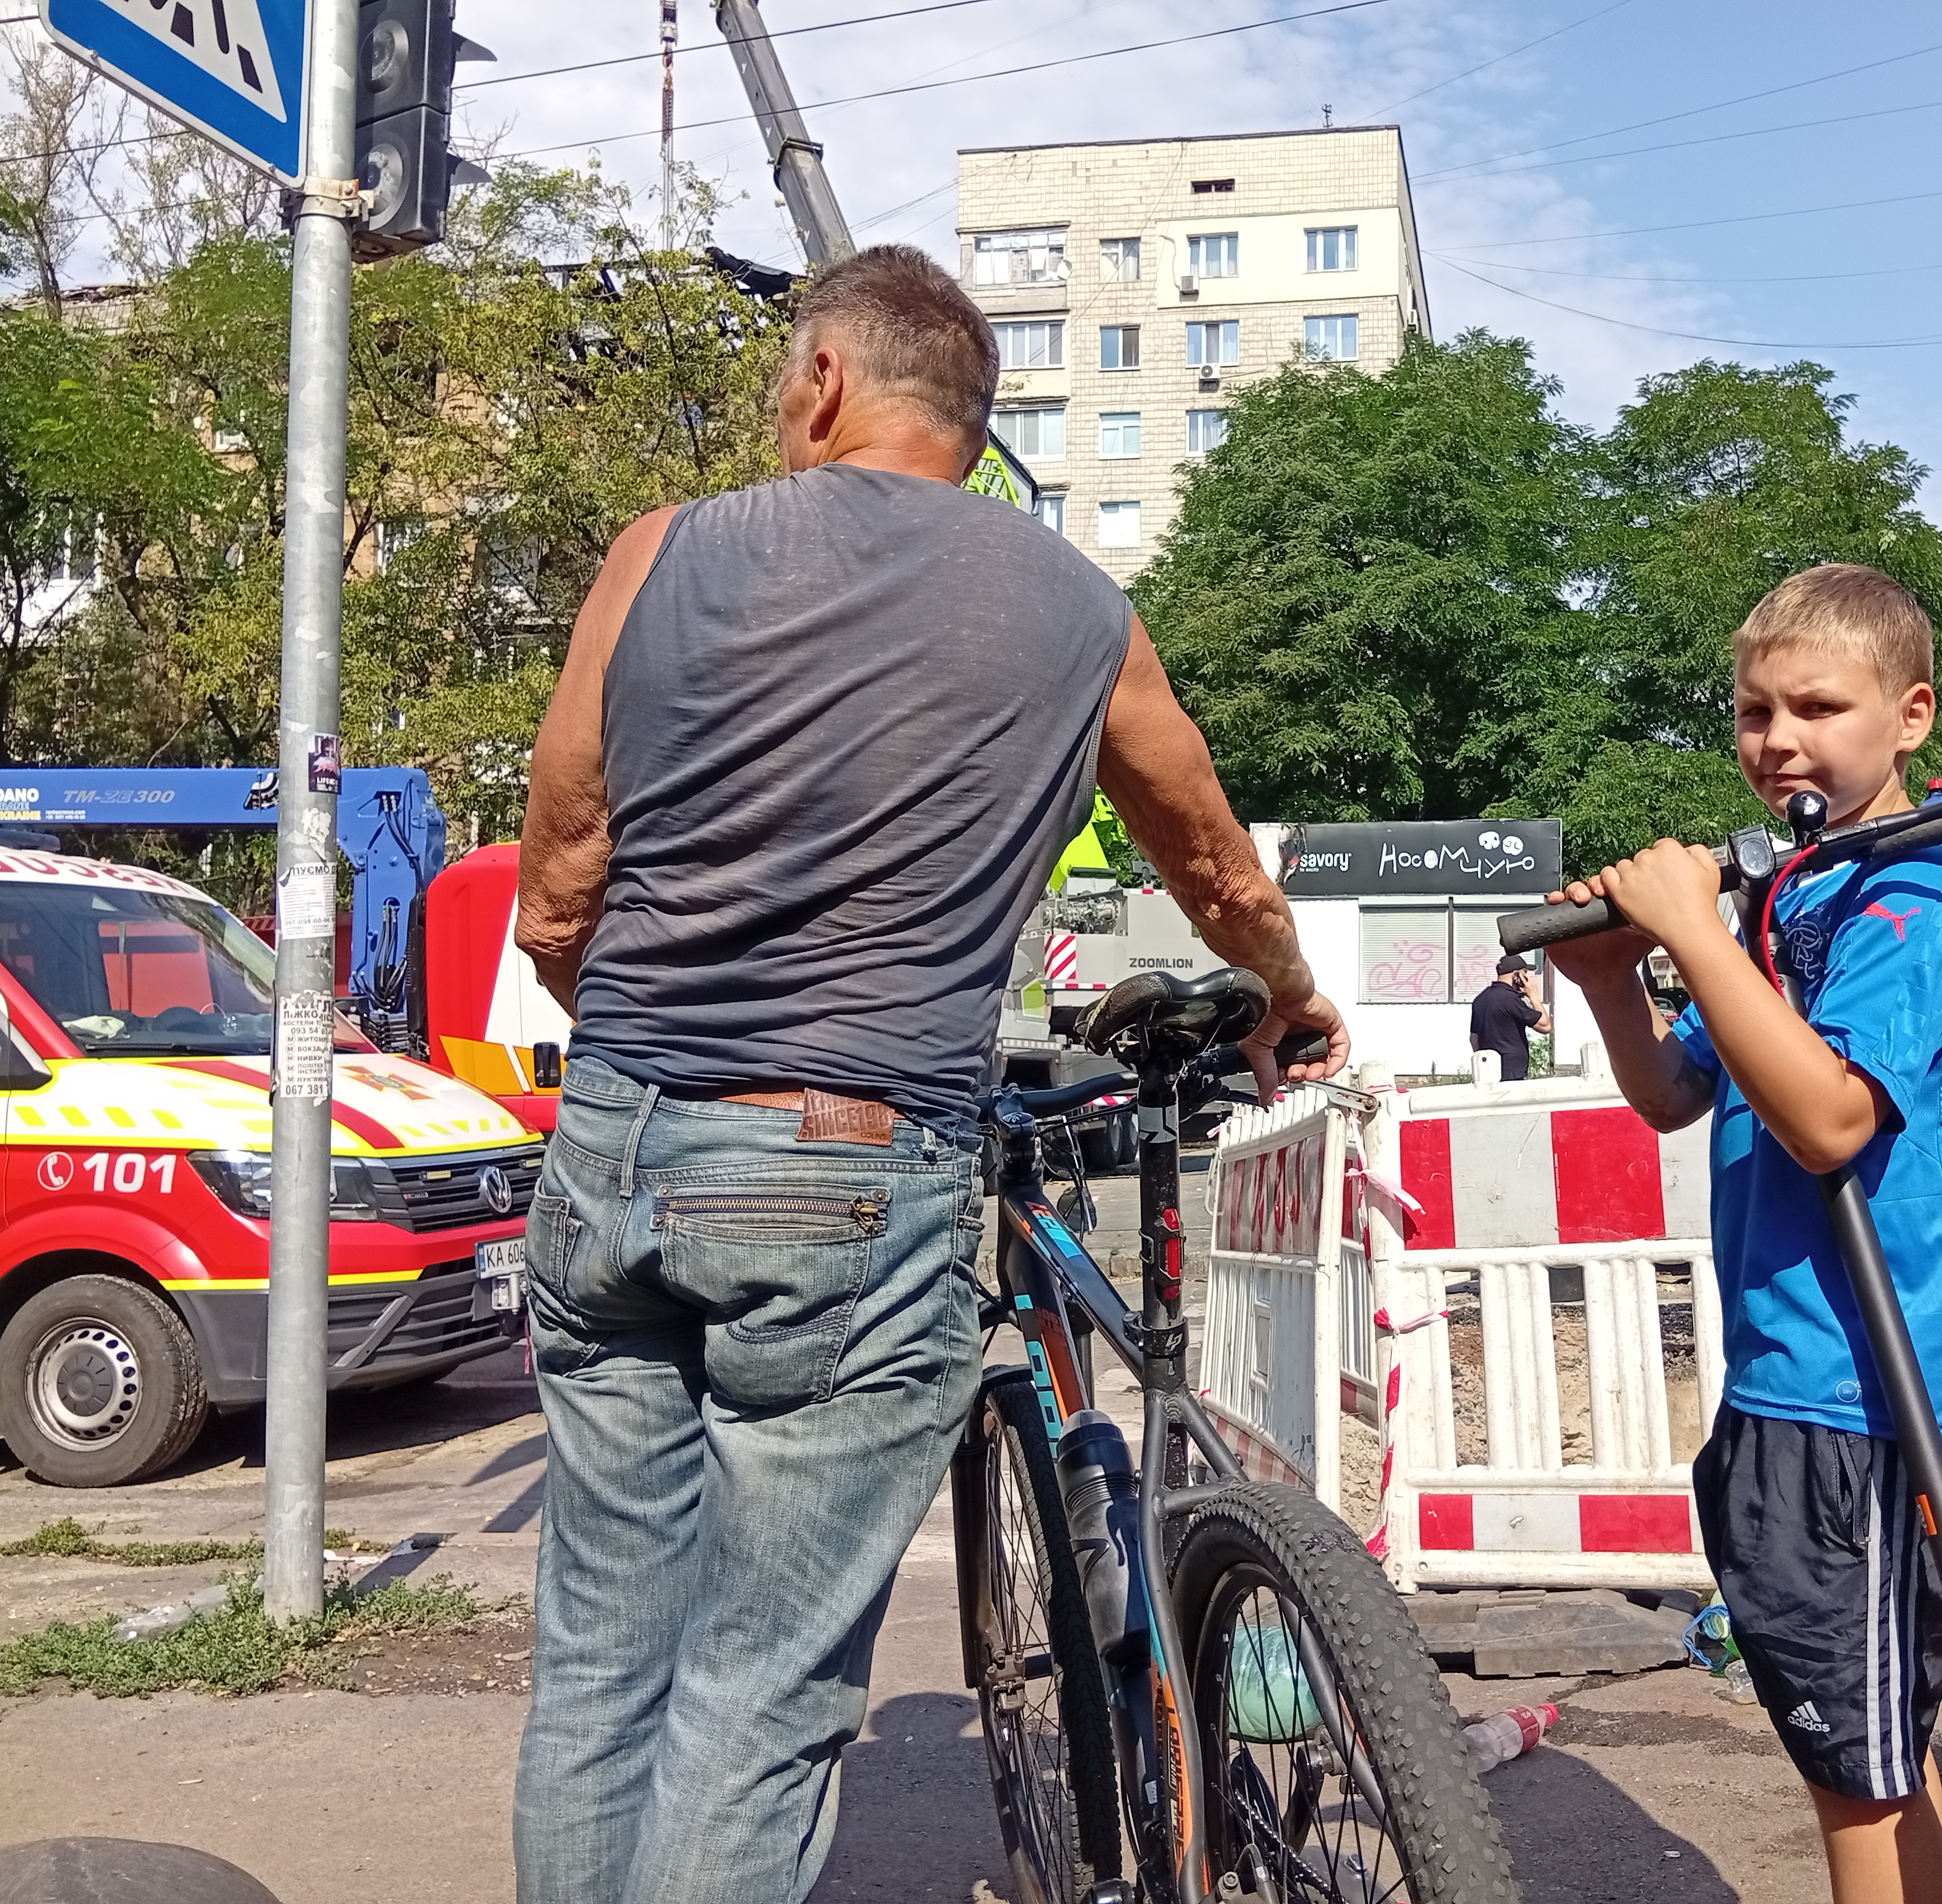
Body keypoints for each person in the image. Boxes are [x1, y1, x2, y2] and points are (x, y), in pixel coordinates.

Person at [509, 245, 1349, 1904]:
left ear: (825, 379)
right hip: (843, 1157)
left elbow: (557, 888)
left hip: (613, 1149)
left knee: (602, 1662)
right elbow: (1216, 865)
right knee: (757, 1696)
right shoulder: (1073, 609)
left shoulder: (656, 555)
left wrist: (652, 1032)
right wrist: (1290, 994)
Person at [1542, 564, 1942, 1904]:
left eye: (1817, 705)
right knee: (1867, 1741)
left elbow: (1823, 1121)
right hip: (1794, 1373)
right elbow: (1673, 1093)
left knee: (1852, 1773)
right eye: (1754, 711)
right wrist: (1607, 982)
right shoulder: (1791, 904)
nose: (1778, 739)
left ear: (1911, 713)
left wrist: (1691, 931)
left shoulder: (1910, 901)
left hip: (1872, 1386)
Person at [1469, 952, 1551, 1080]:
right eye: (1525, 973)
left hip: (1488, 1072)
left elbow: (1474, 1038)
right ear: (1516, 976)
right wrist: (1534, 996)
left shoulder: (1481, 999)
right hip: (1512, 1073)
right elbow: (1545, 1026)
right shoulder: (1510, 999)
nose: (1527, 978)